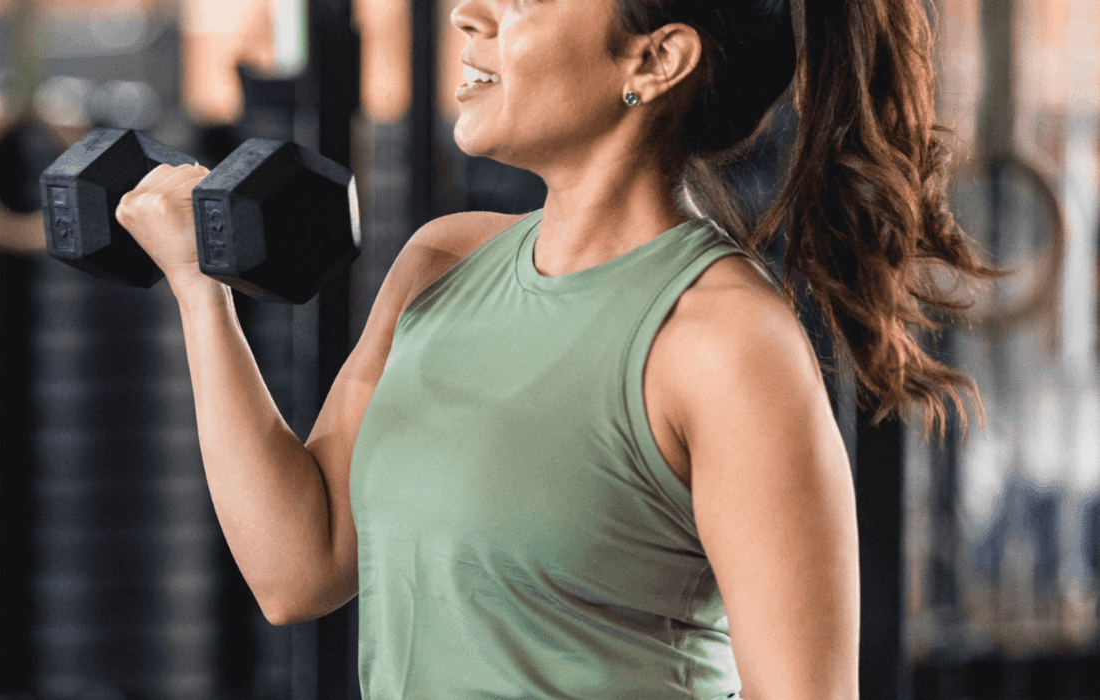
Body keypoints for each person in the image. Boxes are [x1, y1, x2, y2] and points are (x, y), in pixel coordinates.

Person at [115, 0, 995, 697]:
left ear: (653, 60)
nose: (468, 15)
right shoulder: (441, 261)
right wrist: (201, 293)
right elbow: (297, 570)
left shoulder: (723, 342)